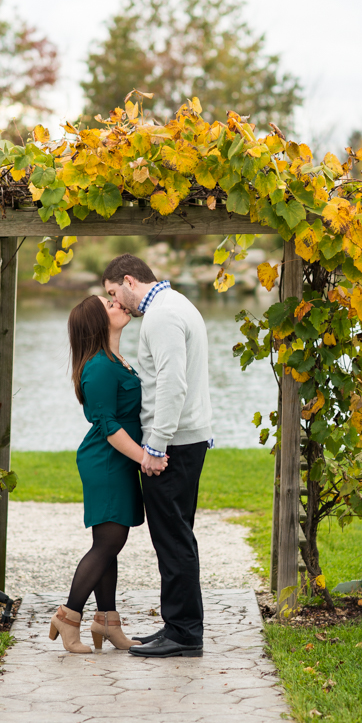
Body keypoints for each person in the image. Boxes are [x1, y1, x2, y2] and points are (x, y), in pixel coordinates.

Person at [102, 254, 212, 659]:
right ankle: (178, 624)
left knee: (173, 537)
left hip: (175, 443)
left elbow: (172, 384)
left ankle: (184, 633)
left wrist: (156, 446)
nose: (117, 302)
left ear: (129, 280)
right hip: (185, 439)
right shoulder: (175, 305)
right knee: (176, 533)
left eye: (114, 293)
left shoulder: (162, 316)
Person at [49, 294, 167, 654]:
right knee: (108, 543)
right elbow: (108, 425)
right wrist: (145, 456)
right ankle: (68, 616)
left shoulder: (117, 360)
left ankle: (107, 622)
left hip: (117, 460)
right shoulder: (99, 366)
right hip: (106, 460)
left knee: (111, 543)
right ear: (98, 323)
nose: (119, 304)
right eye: (110, 305)